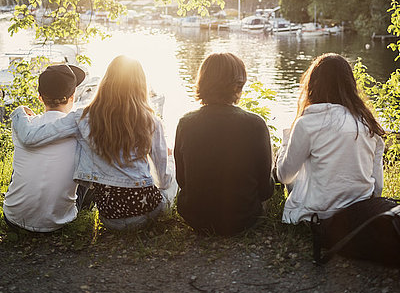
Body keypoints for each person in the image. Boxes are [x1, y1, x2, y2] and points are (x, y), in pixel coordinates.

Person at [11, 56, 174, 230]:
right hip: (146, 212)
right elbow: (164, 181)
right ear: (142, 86)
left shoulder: (82, 117)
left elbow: (31, 136)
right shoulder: (152, 122)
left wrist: (20, 113)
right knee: (170, 161)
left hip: (110, 217)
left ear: (106, 83)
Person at [276, 53, 385, 224]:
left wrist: (287, 139)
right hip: (360, 214)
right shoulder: (368, 123)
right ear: (350, 84)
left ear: (313, 85)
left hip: (318, 215)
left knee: (297, 167)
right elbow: (377, 187)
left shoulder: (307, 123)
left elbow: (284, 176)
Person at [174, 52, 275, 236]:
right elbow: (265, 189)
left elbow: (182, 179)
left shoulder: (185, 123)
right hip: (243, 219)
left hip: (196, 218)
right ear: (238, 84)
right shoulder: (255, 124)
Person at [3, 63, 86, 232]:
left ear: (40, 97)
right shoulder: (80, 128)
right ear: (72, 97)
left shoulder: (24, 125)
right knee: (85, 167)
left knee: (25, 160)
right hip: (59, 223)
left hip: (14, 218)